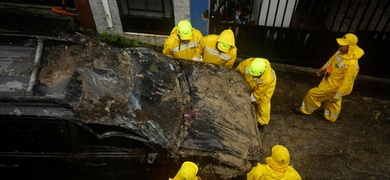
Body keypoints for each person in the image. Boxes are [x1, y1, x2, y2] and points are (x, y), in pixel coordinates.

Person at [294, 33, 365, 122]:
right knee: (332, 101)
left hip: (332, 86)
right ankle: (330, 117)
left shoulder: (352, 64)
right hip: (329, 81)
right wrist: (322, 69)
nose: (340, 45)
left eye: (343, 44)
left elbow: (348, 82)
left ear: (349, 46)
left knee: (312, 94)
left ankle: (305, 110)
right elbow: (331, 62)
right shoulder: (340, 52)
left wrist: (338, 95)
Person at [236, 58, 277, 126]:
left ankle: (262, 122)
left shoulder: (267, 79)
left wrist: (252, 98)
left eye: (255, 76)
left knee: (263, 102)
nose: (253, 76)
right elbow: (239, 70)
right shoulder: (247, 63)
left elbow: (259, 92)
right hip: (252, 82)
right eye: (252, 74)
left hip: (266, 88)